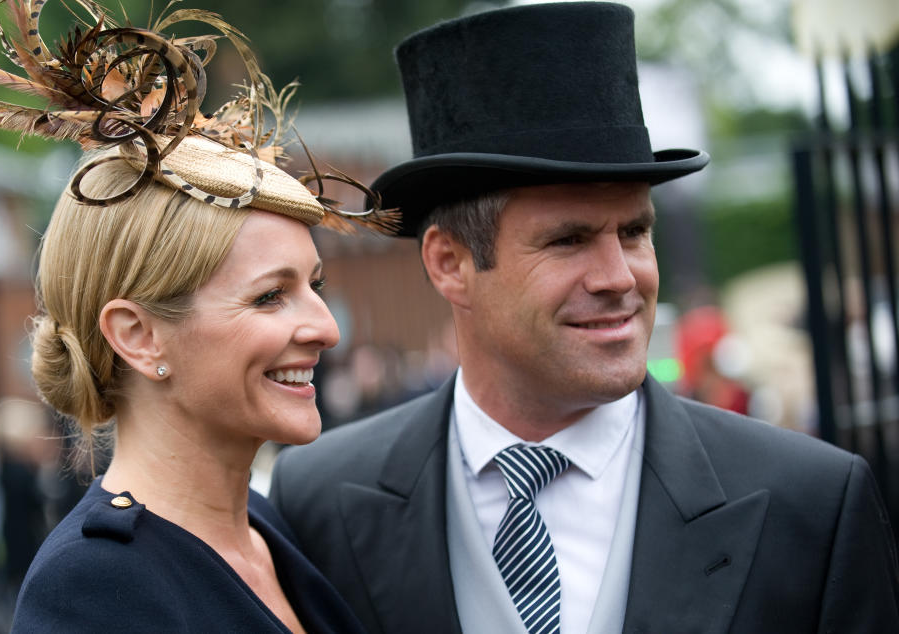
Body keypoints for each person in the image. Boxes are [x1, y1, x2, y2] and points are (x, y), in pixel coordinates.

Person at [269, 3, 899, 633]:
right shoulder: (321, 501)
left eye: (633, 231)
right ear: (449, 263)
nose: (620, 277)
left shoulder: (808, 503)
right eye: (568, 240)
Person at [0, 1, 394, 631]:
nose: (326, 328)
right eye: (270, 296)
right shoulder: (96, 588)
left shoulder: (268, 532)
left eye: (314, 285)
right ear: (138, 335)